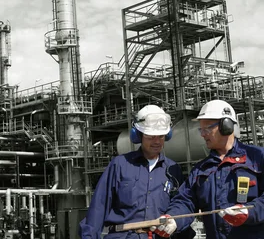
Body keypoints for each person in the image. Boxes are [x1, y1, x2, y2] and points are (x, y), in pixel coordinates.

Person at [151, 99, 264, 239]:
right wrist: (174, 219)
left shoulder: (257, 158)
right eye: (201, 129)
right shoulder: (201, 170)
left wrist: (249, 213)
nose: (202, 134)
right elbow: (186, 200)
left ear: (226, 126)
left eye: (207, 129)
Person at [79, 105, 195, 239]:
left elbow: (182, 203)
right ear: (138, 135)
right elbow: (98, 208)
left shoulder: (173, 169)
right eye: (151, 136)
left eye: (161, 136)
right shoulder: (120, 165)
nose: (157, 141)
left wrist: (175, 220)